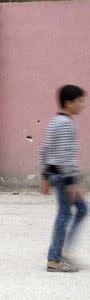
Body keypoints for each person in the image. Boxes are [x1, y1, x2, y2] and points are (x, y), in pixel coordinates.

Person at [39, 84, 88, 272]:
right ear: (68, 103)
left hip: (55, 175)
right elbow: (66, 156)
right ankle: (54, 259)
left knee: (81, 210)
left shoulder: (54, 122)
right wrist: (71, 182)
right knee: (65, 214)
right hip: (63, 177)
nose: (82, 105)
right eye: (80, 101)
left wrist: (44, 176)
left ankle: (62, 252)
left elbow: (45, 149)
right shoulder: (67, 125)